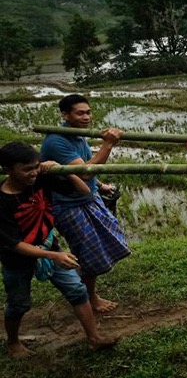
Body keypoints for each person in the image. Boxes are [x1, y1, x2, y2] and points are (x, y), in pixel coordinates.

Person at [1, 142, 118, 357]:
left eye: (36, 166)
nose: (33, 173)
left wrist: (60, 168)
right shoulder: (2, 201)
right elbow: (15, 244)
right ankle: (13, 342)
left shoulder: (41, 179)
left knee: (76, 289)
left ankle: (95, 338)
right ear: (9, 169)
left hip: (48, 245)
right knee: (18, 304)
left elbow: (83, 190)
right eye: (26, 169)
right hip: (18, 258)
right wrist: (53, 255)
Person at [40, 94, 130, 314]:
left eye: (88, 112)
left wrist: (101, 186)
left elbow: (86, 167)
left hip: (89, 199)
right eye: (80, 113)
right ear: (65, 114)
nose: (86, 117)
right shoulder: (57, 140)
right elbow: (85, 172)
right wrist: (108, 144)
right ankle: (90, 297)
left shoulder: (77, 135)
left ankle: (88, 291)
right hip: (69, 206)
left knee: (104, 243)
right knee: (87, 253)